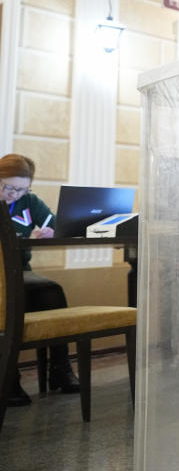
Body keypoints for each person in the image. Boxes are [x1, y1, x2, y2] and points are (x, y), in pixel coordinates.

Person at [0, 153, 81, 405]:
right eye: (7, 187)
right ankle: (8, 378)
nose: (14, 194)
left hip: (19, 272)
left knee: (51, 292)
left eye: (21, 189)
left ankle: (60, 369)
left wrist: (50, 232)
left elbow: (59, 227)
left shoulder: (29, 202)